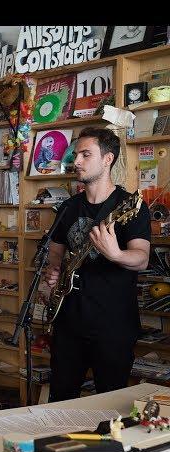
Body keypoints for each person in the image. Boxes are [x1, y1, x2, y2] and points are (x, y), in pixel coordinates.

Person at [45, 127, 150, 401]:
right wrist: (54, 271)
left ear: (108, 159)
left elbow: (141, 257)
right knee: (60, 404)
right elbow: (55, 252)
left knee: (109, 407)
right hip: (68, 323)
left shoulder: (129, 206)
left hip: (113, 326)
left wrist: (115, 254)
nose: (76, 161)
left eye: (85, 154)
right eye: (76, 154)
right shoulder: (67, 208)